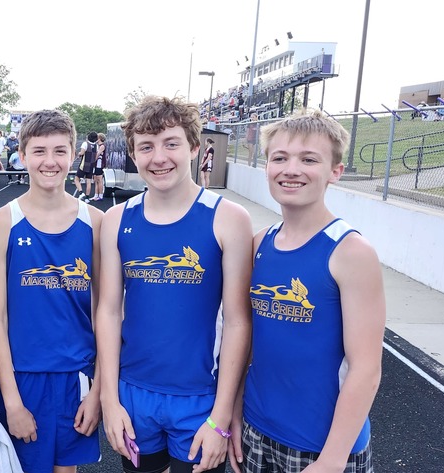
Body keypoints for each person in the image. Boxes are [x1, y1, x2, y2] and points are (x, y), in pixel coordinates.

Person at [95, 96, 253, 473]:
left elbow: (237, 322)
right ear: (133, 154)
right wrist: (109, 400)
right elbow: (108, 310)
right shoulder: (116, 219)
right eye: (146, 147)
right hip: (134, 396)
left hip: (200, 399)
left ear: (194, 147)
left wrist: (221, 414)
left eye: (171, 143)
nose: (159, 157)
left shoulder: (228, 219)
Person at [239, 109, 385, 473]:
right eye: (280, 158)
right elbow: (250, 345)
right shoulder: (260, 243)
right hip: (256, 430)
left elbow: (366, 368)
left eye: (308, 159)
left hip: (321, 448)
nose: (291, 169)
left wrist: (333, 460)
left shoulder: (351, 252)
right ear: (266, 166)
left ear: (335, 171)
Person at [0, 109, 104, 473]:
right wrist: (11, 400)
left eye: (59, 151)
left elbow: (105, 314)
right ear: (22, 155)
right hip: (22, 377)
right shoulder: (1, 222)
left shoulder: (95, 223)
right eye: (39, 151)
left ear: (73, 154)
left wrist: (97, 392)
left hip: (76, 378)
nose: (49, 161)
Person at [74, 132, 99, 201]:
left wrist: (79, 154)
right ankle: (87, 198)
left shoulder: (85, 144)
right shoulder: (96, 146)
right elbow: (96, 156)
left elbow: (82, 153)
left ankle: (81, 192)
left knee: (76, 179)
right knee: (89, 181)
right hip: (91, 166)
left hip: (84, 165)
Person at [89, 134, 106, 201]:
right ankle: (96, 195)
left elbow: (97, 154)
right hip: (96, 165)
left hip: (99, 165)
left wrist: (92, 161)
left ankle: (100, 195)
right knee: (95, 180)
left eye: (97, 138)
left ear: (99, 138)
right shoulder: (97, 146)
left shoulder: (102, 146)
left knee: (99, 180)